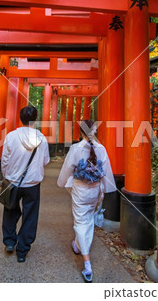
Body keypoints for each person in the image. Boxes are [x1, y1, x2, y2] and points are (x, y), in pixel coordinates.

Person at [57, 119, 116, 282]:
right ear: (94, 131)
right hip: (95, 190)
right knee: (87, 220)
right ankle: (77, 244)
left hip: (80, 191)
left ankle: (87, 265)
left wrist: (61, 183)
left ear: (80, 132)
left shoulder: (76, 148)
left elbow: (68, 168)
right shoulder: (101, 148)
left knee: (81, 222)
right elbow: (107, 172)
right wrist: (107, 190)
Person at [1, 106, 50, 263]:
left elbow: (5, 160)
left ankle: (9, 242)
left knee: (10, 211)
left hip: (13, 182)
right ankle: (22, 251)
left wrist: (7, 176)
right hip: (33, 184)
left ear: (20, 118)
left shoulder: (11, 136)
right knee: (30, 216)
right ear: (35, 119)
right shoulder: (41, 139)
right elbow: (46, 161)